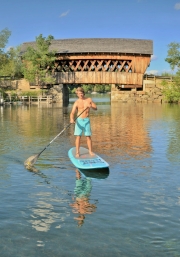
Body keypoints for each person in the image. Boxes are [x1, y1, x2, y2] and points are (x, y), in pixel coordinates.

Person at [70, 87, 97, 157]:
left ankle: (90, 151)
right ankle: (77, 152)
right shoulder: (76, 102)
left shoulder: (89, 100)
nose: (80, 95)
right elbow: (72, 112)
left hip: (86, 120)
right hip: (79, 120)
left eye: (81, 93)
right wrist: (71, 119)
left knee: (88, 136)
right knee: (78, 137)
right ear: (77, 94)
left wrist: (91, 106)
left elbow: (96, 108)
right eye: (78, 94)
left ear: (83, 93)